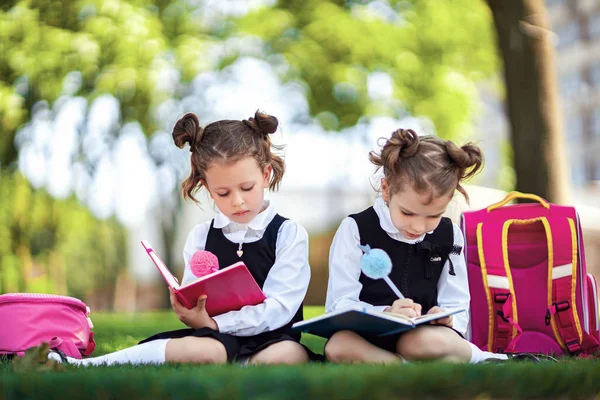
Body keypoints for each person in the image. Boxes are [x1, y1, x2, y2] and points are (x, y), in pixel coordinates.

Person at [50, 111, 312, 366]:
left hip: (273, 338)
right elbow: (194, 292)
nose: (238, 201)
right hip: (215, 339)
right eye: (222, 193)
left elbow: (281, 307)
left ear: (265, 175)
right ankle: (81, 364)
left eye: (246, 188)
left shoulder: (288, 233)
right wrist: (191, 311)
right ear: (207, 187)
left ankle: (235, 365)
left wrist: (219, 322)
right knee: (208, 350)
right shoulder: (201, 236)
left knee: (290, 355)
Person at [323, 128, 509, 364]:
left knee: (418, 342)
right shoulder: (355, 229)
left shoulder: (450, 235)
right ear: (386, 189)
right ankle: (404, 368)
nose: (419, 227)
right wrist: (386, 312)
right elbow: (340, 304)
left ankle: (486, 359)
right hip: (367, 338)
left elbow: (457, 302)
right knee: (338, 346)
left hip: (424, 337)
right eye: (407, 212)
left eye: (433, 216)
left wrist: (447, 318)